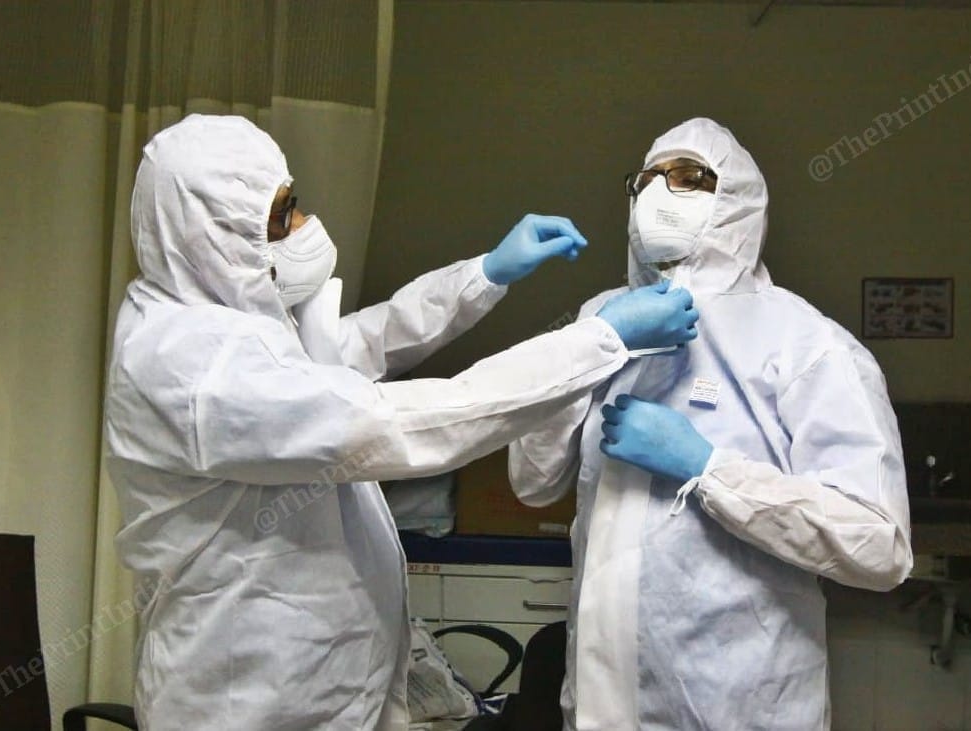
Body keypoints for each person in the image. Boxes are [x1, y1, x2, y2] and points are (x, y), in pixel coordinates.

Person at [103, 113, 699, 730]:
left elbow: (357, 344)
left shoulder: (222, 318)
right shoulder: (192, 367)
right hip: (249, 694)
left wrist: (484, 275)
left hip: (318, 681)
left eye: (294, 203)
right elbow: (398, 424)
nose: (304, 228)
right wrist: (600, 340)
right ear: (209, 233)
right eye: (281, 216)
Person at [508, 117, 913, 730]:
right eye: (645, 180)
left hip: (739, 706)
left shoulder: (806, 345)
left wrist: (710, 471)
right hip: (598, 706)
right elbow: (533, 484)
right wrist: (583, 352)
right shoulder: (604, 319)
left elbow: (878, 546)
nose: (657, 194)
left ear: (737, 202)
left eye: (689, 178)